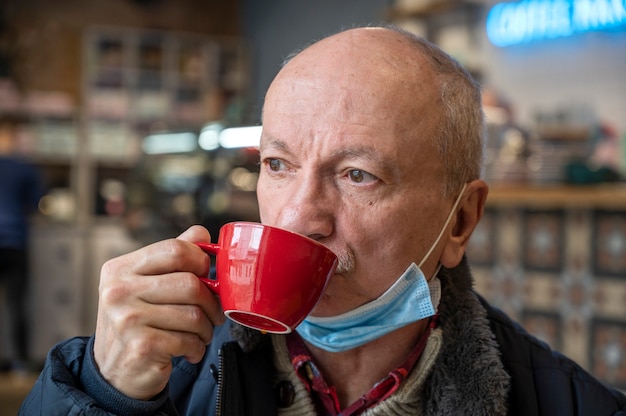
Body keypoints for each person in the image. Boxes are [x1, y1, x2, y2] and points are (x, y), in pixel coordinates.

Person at [20, 26, 626, 415]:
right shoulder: (162, 367)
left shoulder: (567, 402)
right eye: (277, 164)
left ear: (461, 221)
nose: (296, 218)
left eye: (357, 174)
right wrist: (103, 393)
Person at [0, 117, 43, 373]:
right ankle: (20, 362)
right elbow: (36, 203)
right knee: (17, 304)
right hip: (15, 240)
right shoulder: (25, 168)